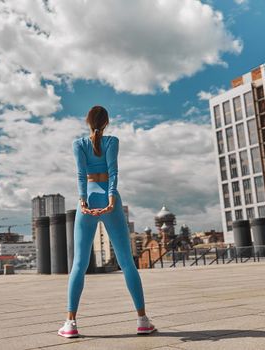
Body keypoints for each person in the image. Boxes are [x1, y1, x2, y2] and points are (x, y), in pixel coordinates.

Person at [57, 105, 156, 338]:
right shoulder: (113, 141)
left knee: (79, 264)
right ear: (107, 122)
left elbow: (81, 175)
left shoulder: (78, 144)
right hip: (109, 199)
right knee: (126, 263)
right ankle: (142, 321)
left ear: (87, 121)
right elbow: (113, 172)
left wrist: (82, 201)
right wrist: (111, 199)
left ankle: (70, 324)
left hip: (89, 199)